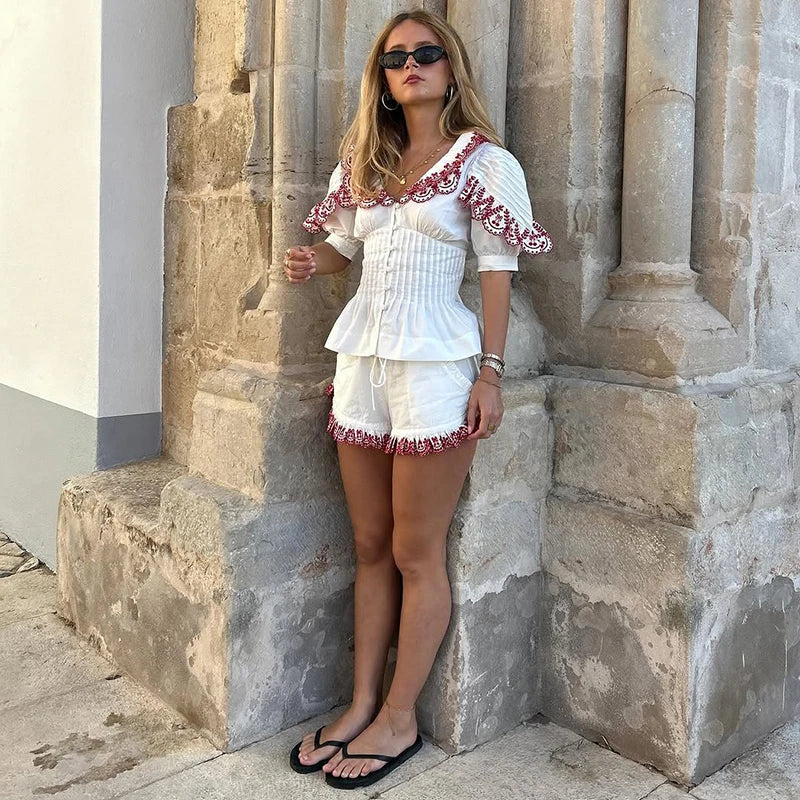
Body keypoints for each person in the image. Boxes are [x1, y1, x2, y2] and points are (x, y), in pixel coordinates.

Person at [284, 9, 552, 791]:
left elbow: (497, 272)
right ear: (383, 76)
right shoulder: (363, 163)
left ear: (450, 67)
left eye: (427, 53)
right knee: (368, 546)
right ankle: (362, 700)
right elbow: (346, 248)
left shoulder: (483, 162)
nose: (412, 65)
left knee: (413, 551)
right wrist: (316, 262)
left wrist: (491, 374)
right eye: (397, 57)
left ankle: (401, 715)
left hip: (437, 367)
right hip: (363, 361)